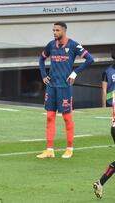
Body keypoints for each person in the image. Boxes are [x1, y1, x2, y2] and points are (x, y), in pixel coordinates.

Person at [37, 21, 94, 159]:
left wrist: (75, 73)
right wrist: (44, 75)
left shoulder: (73, 45)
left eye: (57, 30)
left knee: (67, 117)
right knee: (50, 117)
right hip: (51, 87)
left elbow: (90, 59)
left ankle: (69, 148)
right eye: (53, 30)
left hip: (64, 87)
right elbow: (41, 59)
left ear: (64, 31)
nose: (54, 32)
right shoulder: (51, 45)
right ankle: (50, 150)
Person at [93, 49, 115, 199]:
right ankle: (100, 182)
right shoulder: (108, 71)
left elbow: (106, 92)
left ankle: (100, 183)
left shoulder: (112, 93)